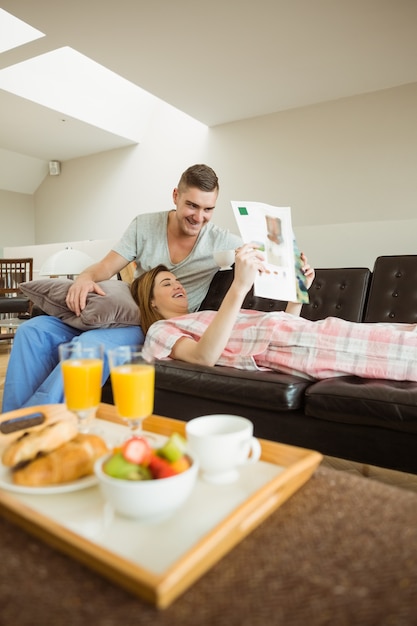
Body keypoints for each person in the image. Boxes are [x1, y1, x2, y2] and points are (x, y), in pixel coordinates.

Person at [2, 164, 242, 412]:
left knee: (93, 345)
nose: (199, 216)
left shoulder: (221, 241)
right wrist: (85, 277)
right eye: (192, 205)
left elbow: (265, 253)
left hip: (153, 324)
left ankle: (38, 421)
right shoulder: (145, 226)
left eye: (208, 209)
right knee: (32, 330)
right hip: (125, 310)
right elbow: (106, 266)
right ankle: (10, 427)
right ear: (175, 196)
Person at [133, 244, 417, 382]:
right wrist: (240, 285)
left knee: (399, 332)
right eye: (167, 283)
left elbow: (283, 325)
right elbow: (203, 357)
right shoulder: (160, 331)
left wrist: (297, 292)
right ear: (151, 302)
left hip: (298, 333)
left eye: (177, 280)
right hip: (287, 347)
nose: (178, 286)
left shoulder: (202, 314)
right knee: (402, 349)